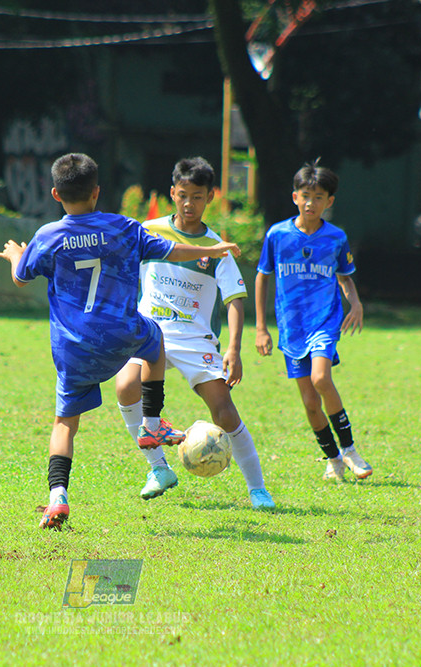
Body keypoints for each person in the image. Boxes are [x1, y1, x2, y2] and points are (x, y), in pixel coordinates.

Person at [0, 153, 240, 529]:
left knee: (64, 424)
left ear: (57, 194)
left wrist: (16, 255)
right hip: (123, 334)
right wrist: (211, 250)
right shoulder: (123, 228)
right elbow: (172, 249)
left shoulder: (49, 236)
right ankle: (152, 422)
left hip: (73, 347)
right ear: (96, 192)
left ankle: (57, 496)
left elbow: (21, 278)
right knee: (155, 340)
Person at [114, 157, 274, 510]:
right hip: (150, 332)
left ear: (210, 198)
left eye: (197, 197)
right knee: (125, 387)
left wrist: (234, 348)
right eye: (183, 195)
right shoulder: (149, 231)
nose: (189, 204)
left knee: (223, 410)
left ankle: (258, 488)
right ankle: (159, 469)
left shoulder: (217, 248)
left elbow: (234, 300)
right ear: (172, 193)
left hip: (194, 340)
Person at [253, 160, 373, 482]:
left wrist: (356, 304)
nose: (311, 202)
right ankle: (332, 458)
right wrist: (261, 327)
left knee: (321, 380)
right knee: (309, 403)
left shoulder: (335, 238)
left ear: (329, 201)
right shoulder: (277, 235)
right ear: (294, 197)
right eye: (305, 195)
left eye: (318, 197)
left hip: (324, 320)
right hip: (292, 326)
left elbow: (345, 277)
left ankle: (349, 450)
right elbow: (263, 277)